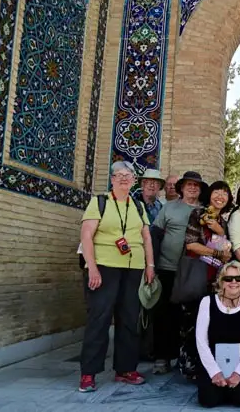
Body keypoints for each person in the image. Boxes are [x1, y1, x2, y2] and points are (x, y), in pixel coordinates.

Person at [78, 161, 155, 392]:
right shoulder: (99, 202)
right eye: (119, 175)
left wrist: (149, 265)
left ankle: (125, 369)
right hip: (104, 267)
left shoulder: (138, 206)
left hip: (133, 269)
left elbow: (147, 238)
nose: (124, 179)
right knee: (99, 319)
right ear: (112, 179)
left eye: (128, 175)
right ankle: (88, 373)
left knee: (129, 319)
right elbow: (86, 236)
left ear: (133, 180)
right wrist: (92, 267)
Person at [150, 171, 206, 375]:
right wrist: (152, 265)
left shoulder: (205, 211)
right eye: (189, 184)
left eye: (196, 185)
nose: (192, 188)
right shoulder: (169, 208)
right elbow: (154, 236)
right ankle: (162, 357)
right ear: (181, 188)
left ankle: (186, 357)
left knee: (190, 316)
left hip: (193, 270)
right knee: (164, 314)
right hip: (168, 268)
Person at [181, 180, 234, 380]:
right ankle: (190, 368)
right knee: (192, 321)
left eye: (225, 193)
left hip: (214, 278)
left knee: (209, 323)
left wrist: (224, 253)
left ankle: (207, 367)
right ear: (209, 195)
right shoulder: (198, 214)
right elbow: (191, 245)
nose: (220, 196)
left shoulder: (222, 221)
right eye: (216, 192)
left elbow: (226, 246)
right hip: (197, 273)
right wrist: (217, 253)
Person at [195, 261, 240, 407]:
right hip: (213, 362)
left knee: (239, 399)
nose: (233, 282)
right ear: (221, 282)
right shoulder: (207, 302)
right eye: (228, 279)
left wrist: (239, 373)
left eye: (239, 279)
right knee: (208, 400)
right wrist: (214, 372)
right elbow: (201, 340)